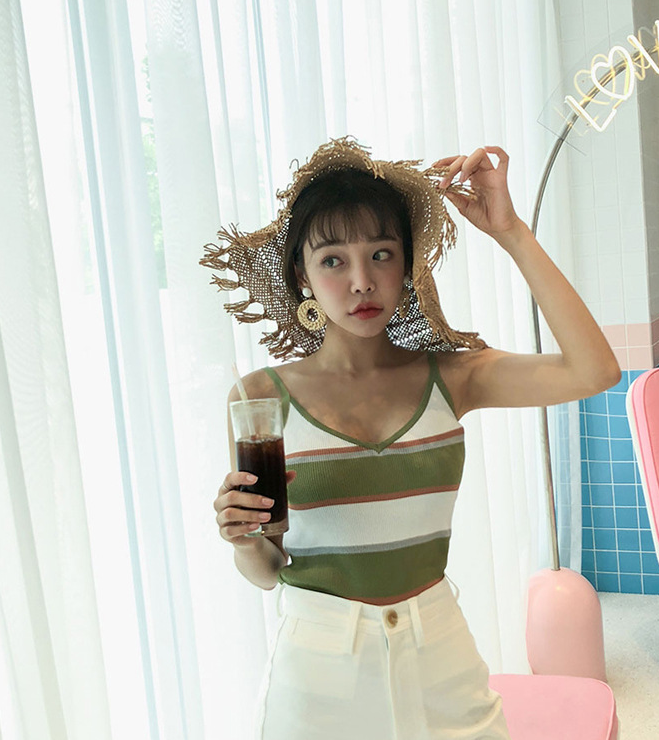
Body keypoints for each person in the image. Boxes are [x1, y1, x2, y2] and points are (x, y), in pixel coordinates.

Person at [202, 137, 620, 740]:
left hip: (439, 659)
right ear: (302, 276)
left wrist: (510, 232)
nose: (361, 281)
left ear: (406, 267)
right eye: (333, 261)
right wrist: (242, 540)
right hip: (318, 672)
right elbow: (268, 569)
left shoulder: (453, 376)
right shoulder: (260, 397)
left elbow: (594, 370)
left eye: (381, 254)